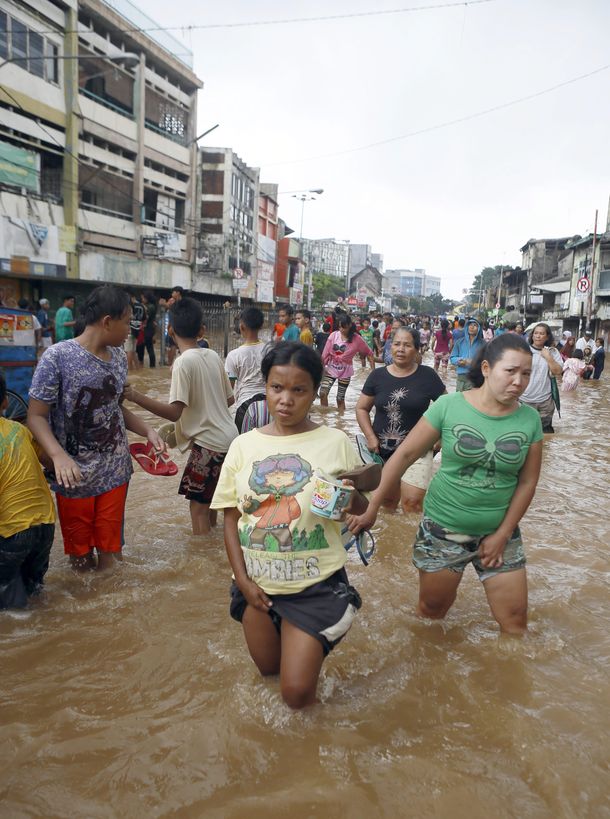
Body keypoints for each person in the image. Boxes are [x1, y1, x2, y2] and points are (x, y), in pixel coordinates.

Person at [349, 334, 543, 635]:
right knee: (431, 613)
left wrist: (503, 534)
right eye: (511, 371)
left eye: (526, 374)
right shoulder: (450, 406)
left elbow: (528, 482)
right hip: (444, 530)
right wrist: (372, 507)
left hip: (500, 533)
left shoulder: (529, 419)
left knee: (515, 623)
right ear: (487, 368)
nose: (519, 381)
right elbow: (404, 455)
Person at [210, 342, 368, 709]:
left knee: (296, 694)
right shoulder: (242, 446)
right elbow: (230, 519)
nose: (286, 400)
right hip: (256, 587)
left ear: (314, 393)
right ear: (265, 386)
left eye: (299, 390)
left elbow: (360, 507)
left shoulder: (335, 442)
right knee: (269, 674)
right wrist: (243, 582)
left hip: (315, 585)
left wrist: (350, 497)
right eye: (277, 387)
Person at [28, 285, 164, 572]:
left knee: (110, 557)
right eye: (127, 322)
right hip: (73, 475)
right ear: (107, 322)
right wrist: (58, 456)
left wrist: (148, 431)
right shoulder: (56, 357)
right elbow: (36, 416)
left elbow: (113, 408)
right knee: (80, 560)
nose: (130, 329)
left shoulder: (118, 358)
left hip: (115, 471)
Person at [124, 297, 237, 536]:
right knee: (210, 502)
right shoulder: (213, 356)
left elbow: (174, 411)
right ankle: (214, 546)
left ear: (170, 330)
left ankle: (201, 554)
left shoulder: (182, 362)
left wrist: (135, 396)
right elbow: (229, 400)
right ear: (202, 331)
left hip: (209, 445)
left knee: (197, 509)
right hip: (230, 440)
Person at [356, 327, 445, 514]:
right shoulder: (377, 376)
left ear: (417, 349)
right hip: (382, 450)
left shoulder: (428, 376)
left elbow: (447, 408)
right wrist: (370, 437)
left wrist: (440, 438)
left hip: (418, 450)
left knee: (412, 503)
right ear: (390, 347)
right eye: (396, 344)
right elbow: (362, 408)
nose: (401, 349)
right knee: (387, 503)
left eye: (407, 345)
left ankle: (413, 534)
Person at [0, 372, 55, 608]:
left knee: (9, 606)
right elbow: (50, 462)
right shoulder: (20, 430)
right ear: (5, 402)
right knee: (35, 592)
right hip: (45, 524)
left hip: (13, 531)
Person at [224, 307, 270, 434]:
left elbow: (229, 389)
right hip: (270, 404)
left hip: (245, 406)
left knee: (243, 444)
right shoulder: (270, 350)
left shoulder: (234, 355)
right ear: (261, 326)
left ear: (241, 326)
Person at [320, 314, 374, 413]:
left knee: (340, 398)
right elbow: (325, 353)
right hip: (331, 368)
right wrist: (321, 367)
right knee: (323, 392)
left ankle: (341, 419)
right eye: (339, 327)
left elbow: (369, 353)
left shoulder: (357, 339)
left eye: (344, 327)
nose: (341, 330)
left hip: (345, 371)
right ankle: (324, 417)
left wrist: (373, 372)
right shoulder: (333, 335)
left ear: (349, 325)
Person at [519, 323, 563, 433]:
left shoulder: (552, 352)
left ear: (547, 337)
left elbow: (558, 372)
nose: (538, 336)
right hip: (525, 399)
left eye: (542, 334)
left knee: (545, 434)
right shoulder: (524, 351)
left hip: (545, 402)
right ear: (532, 335)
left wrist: (548, 357)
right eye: (536, 333)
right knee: (525, 432)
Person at [450, 319, 484, 391]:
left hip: (475, 378)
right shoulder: (459, 342)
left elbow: (487, 361)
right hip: (461, 378)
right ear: (467, 327)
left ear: (479, 329)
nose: (472, 327)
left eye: (475, 325)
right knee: (459, 397)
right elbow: (452, 358)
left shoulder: (483, 344)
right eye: (470, 325)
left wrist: (473, 362)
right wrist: (461, 360)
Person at [165, 286, 184, 366]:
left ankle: (171, 362)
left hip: (176, 327)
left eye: (173, 292)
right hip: (172, 326)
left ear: (178, 293)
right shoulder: (173, 302)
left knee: (173, 345)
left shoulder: (180, 303)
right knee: (171, 345)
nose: (172, 294)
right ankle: (171, 362)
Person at [126, 292, 144, 371]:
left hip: (129, 329)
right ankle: (137, 369)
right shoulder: (142, 306)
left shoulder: (129, 306)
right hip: (137, 329)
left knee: (129, 350)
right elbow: (144, 318)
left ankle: (129, 370)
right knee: (133, 350)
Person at [139, 290, 157, 368]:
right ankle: (151, 366)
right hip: (149, 329)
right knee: (148, 348)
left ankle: (145, 366)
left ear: (147, 298)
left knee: (146, 348)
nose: (142, 299)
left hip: (147, 329)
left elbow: (146, 318)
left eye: (143, 298)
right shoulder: (150, 306)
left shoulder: (150, 307)